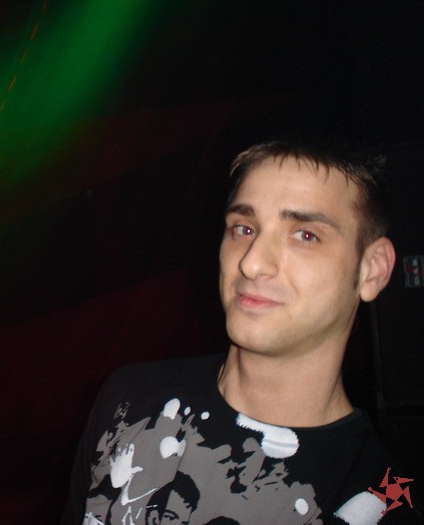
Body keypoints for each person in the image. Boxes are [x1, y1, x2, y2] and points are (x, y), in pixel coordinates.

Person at [61, 138, 421, 524]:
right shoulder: (129, 399)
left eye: (305, 235)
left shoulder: (384, 502)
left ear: (372, 270)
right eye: (244, 228)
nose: (252, 263)